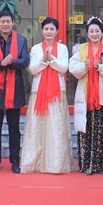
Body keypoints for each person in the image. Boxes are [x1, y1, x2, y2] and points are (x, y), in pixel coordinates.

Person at [69, 16, 103, 175]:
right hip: (86, 97)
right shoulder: (80, 50)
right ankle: (87, 164)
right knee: (86, 130)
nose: (94, 34)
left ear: (102, 33)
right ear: (87, 33)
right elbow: (72, 69)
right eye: (91, 31)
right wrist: (84, 67)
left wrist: (100, 67)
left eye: (97, 31)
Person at [20, 17, 73, 174]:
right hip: (38, 91)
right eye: (46, 29)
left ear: (57, 31)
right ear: (41, 30)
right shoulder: (36, 49)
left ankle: (56, 164)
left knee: (56, 127)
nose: (49, 32)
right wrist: (44, 61)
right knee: (36, 128)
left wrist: (51, 59)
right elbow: (32, 69)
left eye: (52, 29)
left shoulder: (62, 48)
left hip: (57, 92)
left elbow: (64, 68)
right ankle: (34, 163)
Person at [0, 8, 29, 173]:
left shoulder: (21, 40)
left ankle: (15, 161)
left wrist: (12, 62)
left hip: (14, 89)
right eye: (2, 21)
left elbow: (25, 61)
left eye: (8, 21)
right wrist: (1, 63)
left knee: (14, 128)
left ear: (13, 23)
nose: (5, 24)